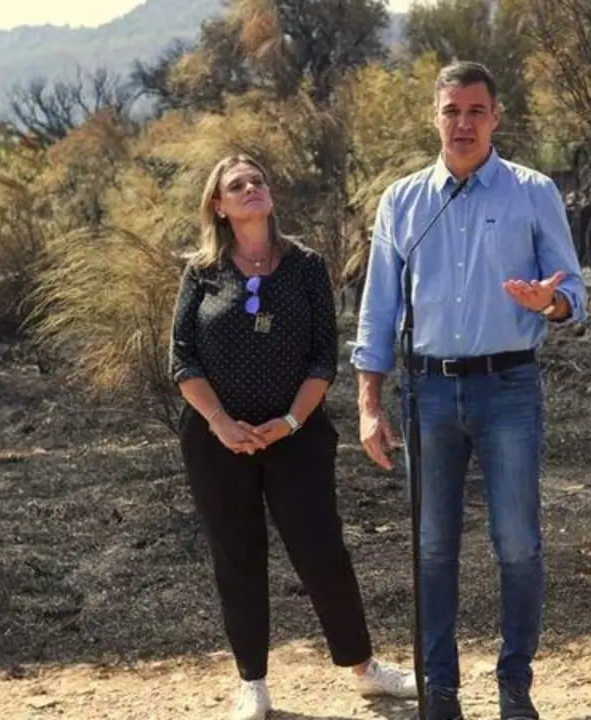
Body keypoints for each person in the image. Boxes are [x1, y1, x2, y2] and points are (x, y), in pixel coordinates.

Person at [350, 61, 588, 720]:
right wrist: (370, 403)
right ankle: (440, 688)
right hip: (427, 393)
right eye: (452, 110)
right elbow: (377, 311)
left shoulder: (532, 191)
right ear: (435, 116)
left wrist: (551, 303)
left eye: (476, 111)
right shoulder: (402, 202)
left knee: (518, 543)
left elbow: (574, 292)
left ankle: (514, 681)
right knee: (431, 548)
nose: (463, 123)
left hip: (508, 386)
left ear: (496, 117)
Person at [169, 154, 417, 720]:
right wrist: (221, 423)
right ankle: (252, 683)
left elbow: (322, 359)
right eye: (238, 185)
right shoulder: (201, 271)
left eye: (258, 180)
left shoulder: (305, 265)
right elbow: (181, 360)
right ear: (219, 205)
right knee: (237, 556)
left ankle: (364, 669)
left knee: (321, 548)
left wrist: (288, 423)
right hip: (217, 441)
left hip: (297, 436)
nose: (252, 188)